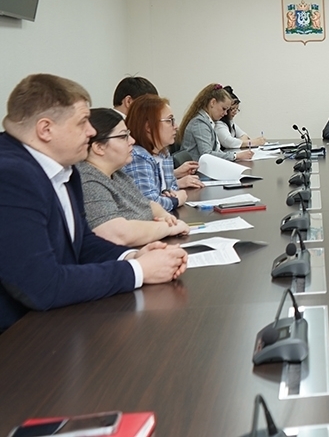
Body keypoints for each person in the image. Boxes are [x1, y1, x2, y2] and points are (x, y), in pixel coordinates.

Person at [0, 74, 187, 332]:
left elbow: (83, 242)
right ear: (45, 129)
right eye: (82, 122)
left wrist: (132, 255)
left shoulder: (66, 169)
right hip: (18, 337)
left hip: (53, 321)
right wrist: (137, 271)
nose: (91, 132)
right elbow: (42, 286)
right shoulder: (10, 176)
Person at [77, 108, 190, 246]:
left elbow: (148, 204)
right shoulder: (88, 181)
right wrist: (168, 228)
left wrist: (167, 218)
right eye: (123, 136)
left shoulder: (117, 174)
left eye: (129, 134)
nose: (132, 140)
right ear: (99, 147)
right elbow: (115, 233)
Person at [124, 94, 201, 212]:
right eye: (169, 121)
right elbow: (150, 205)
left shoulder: (164, 154)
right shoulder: (138, 157)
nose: (176, 126)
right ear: (148, 126)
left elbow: (172, 188)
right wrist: (175, 200)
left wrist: (168, 196)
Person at [178, 84, 253, 162]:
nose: (225, 113)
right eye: (223, 109)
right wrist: (235, 156)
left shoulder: (207, 121)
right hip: (198, 168)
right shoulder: (199, 123)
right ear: (213, 102)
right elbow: (207, 154)